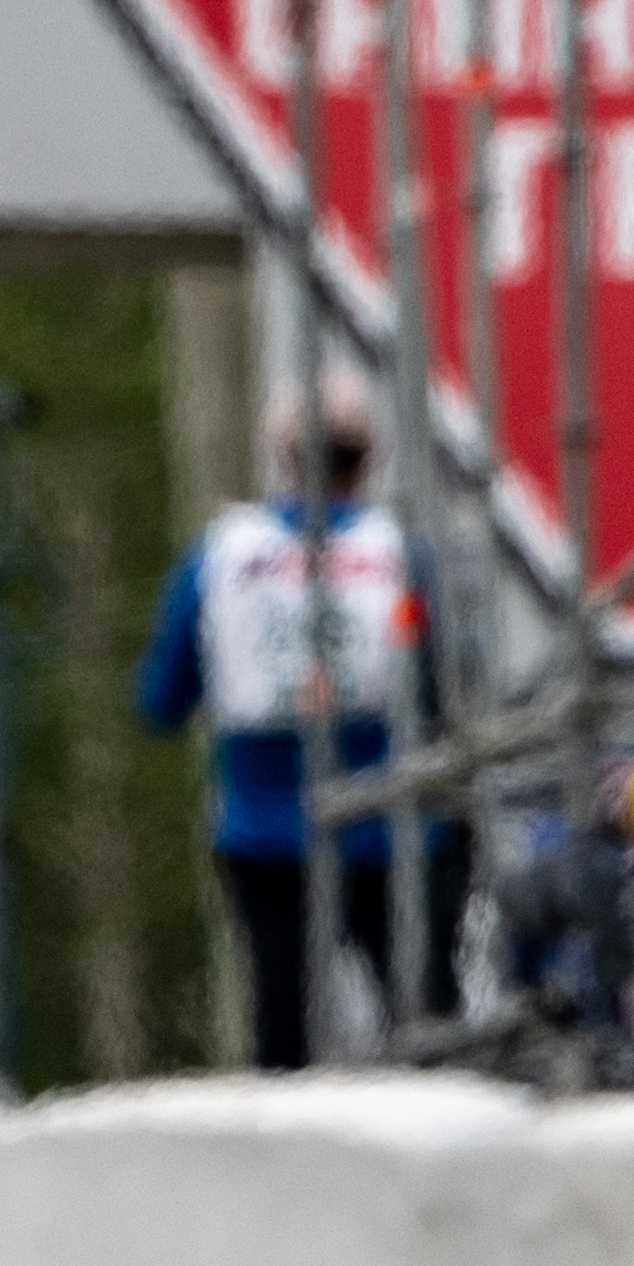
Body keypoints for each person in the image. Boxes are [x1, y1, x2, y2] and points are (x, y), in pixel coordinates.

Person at [140, 386, 445, 1069]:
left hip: (265, 830)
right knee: (421, 1019)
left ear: (282, 458)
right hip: (390, 827)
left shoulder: (217, 561)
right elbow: (434, 685)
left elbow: (161, 700)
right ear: (367, 459)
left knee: (280, 1021)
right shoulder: (400, 559)